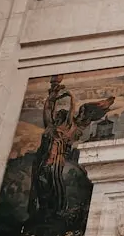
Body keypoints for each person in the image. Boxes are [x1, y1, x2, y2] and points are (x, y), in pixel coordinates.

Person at [28, 75, 114, 219]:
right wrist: (53, 93)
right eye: (60, 114)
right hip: (43, 159)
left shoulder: (71, 129)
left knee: (53, 186)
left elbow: (71, 115)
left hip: (56, 161)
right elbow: (48, 110)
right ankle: (43, 211)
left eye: (64, 114)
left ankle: (55, 211)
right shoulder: (51, 127)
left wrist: (71, 97)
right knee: (40, 185)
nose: (60, 114)